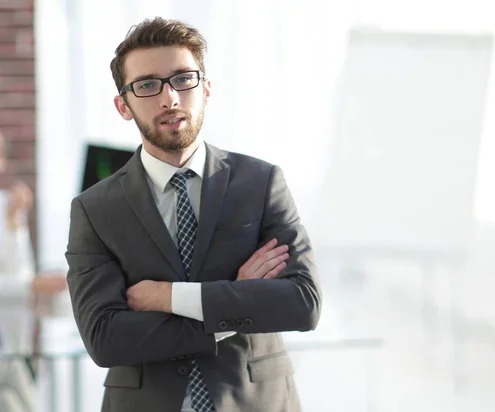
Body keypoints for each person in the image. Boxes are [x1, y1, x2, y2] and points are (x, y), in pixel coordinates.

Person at [65, 17, 322, 412]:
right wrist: (234, 306)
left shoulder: (261, 182)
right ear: (123, 105)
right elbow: (105, 338)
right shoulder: (95, 209)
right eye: (147, 85)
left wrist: (170, 297)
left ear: (205, 89)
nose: (169, 98)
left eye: (183, 79)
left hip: (257, 401)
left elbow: (302, 303)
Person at [0, 131, 67, 412]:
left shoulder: (9, 203)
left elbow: (19, 268)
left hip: (16, 345)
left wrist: (14, 221)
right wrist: (33, 286)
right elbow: (24, 282)